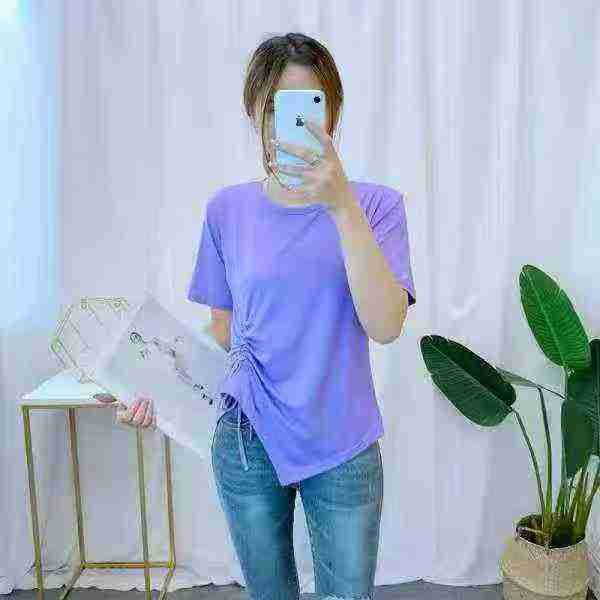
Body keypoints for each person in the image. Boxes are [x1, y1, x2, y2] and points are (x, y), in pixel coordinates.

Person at [119, 32, 416, 600]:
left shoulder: (376, 206)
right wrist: (150, 382)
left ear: (332, 113)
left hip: (343, 442)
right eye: (277, 107)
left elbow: (386, 326)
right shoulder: (226, 211)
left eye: (311, 105)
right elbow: (224, 334)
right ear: (254, 111)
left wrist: (342, 205)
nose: (293, 122)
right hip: (245, 439)